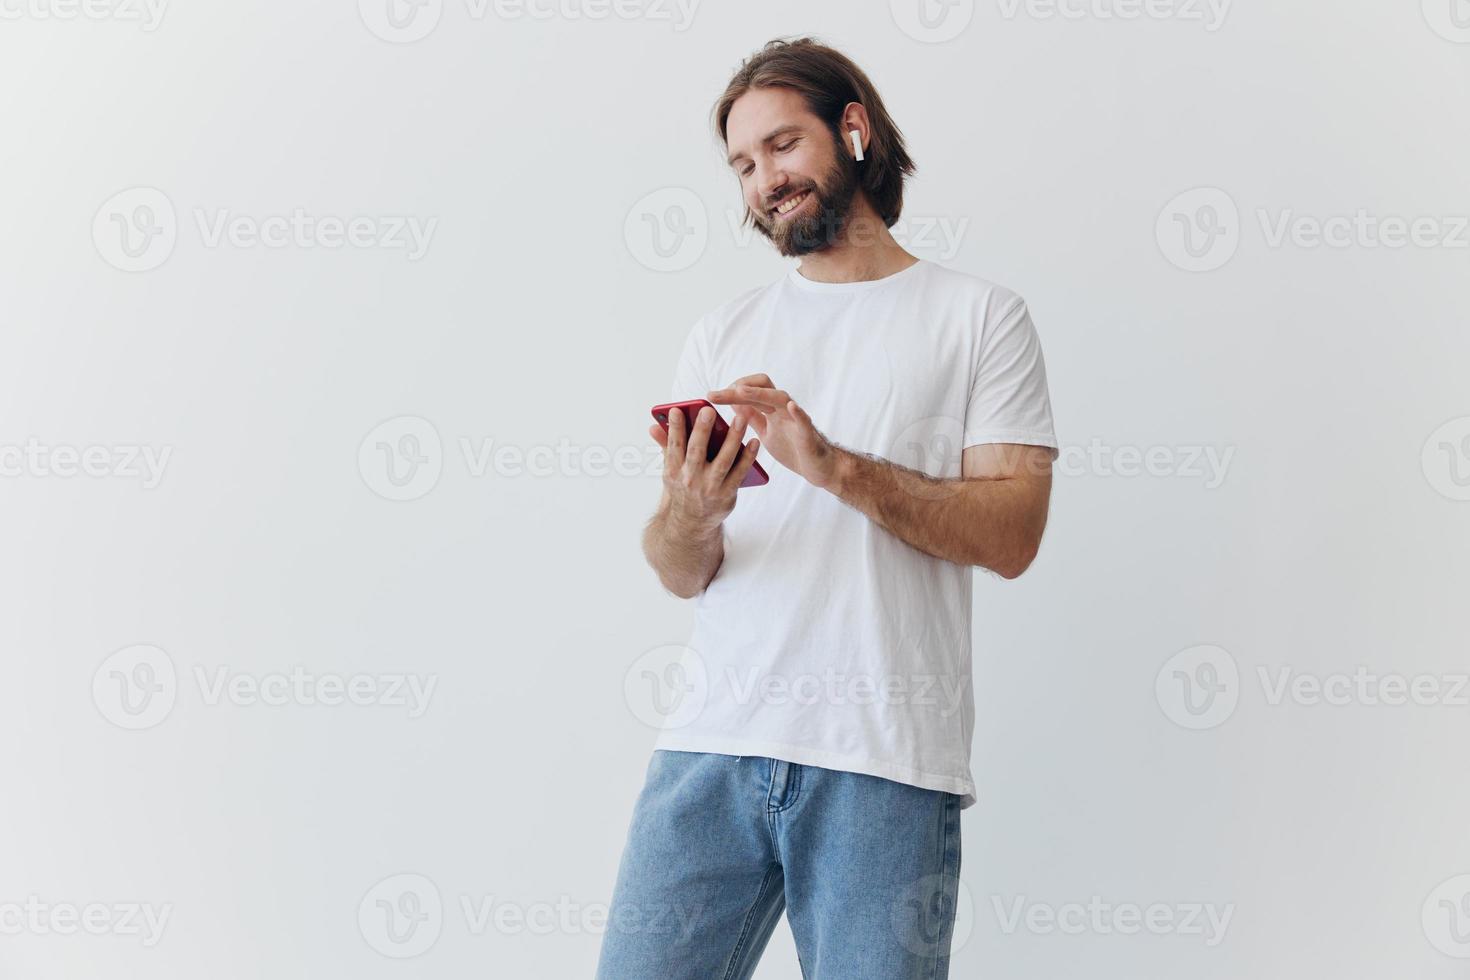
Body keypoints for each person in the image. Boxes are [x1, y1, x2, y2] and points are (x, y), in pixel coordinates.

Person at [597, 36, 1060, 980]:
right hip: (711, 748)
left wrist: (834, 467)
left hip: (884, 765)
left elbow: (1013, 536)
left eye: (780, 146)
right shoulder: (723, 331)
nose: (762, 180)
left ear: (852, 130)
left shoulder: (979, 316)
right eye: (741, 165)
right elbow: (681, 571)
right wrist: (695, 509)